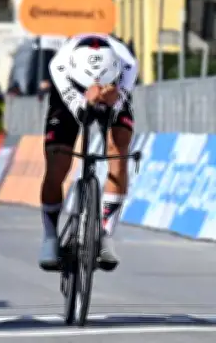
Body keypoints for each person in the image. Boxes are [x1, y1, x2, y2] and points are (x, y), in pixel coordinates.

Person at [39, 34, 138, 272]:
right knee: (57, 163)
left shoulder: (127, 64)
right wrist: (85, 103)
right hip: (69, 97)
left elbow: (119, 98)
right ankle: (50, 237)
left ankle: (106, 234)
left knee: (118, 150)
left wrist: (112, 97)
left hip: (114, 90)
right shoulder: (60, 65)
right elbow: (78, 110)